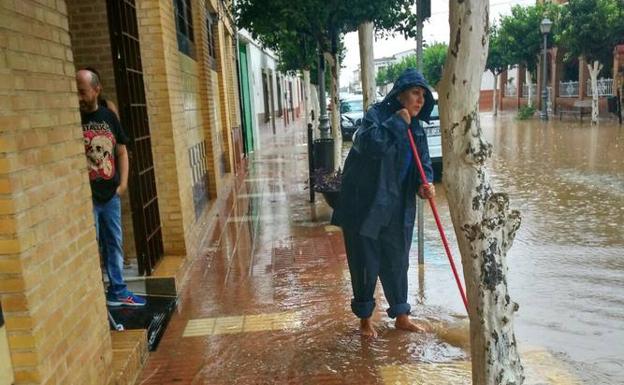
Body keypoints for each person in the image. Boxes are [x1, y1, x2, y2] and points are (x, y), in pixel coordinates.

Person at [332, 68, 436, 338]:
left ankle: (402, 316)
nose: (420, 100)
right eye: (415, 93)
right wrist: (397, 124)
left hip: (398, 207)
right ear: (400, 94)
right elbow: (368, 145)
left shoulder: (418, 129)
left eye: (424, 95)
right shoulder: (375, 117)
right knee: (365, 263)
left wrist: (425, 186)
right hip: (365, 206)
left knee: (397, 261)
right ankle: (365, 321)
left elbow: (423, 165)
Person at [76, 69, 145, 307]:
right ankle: (97, 294)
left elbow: (122, 150)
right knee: (91, 245)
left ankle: (118, 289)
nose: (79, 98)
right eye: (76, 92)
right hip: (88, 198)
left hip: (111, 195)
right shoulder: (73, 118)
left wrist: (123, 184)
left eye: (83, 92)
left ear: (97, 90)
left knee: (114, 242)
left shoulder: (108, 116)